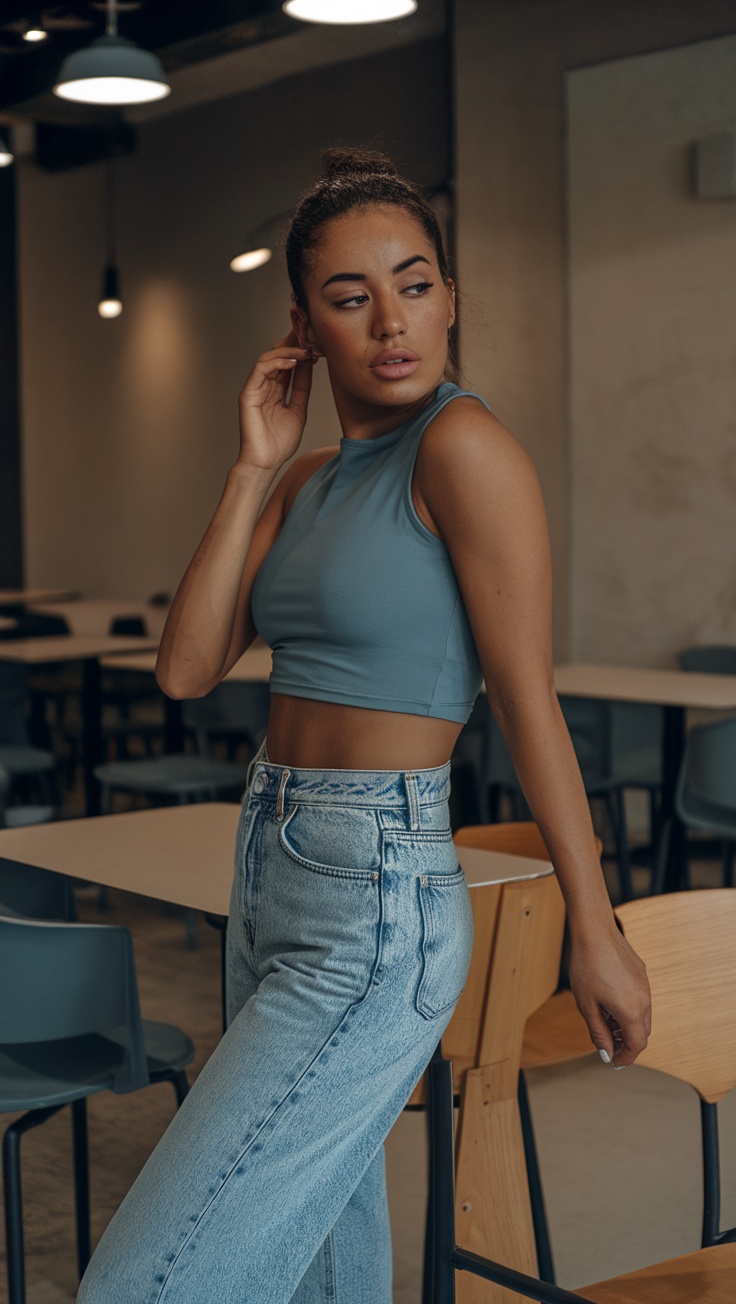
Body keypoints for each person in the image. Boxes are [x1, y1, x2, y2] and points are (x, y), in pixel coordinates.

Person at [78, 148, 651, 1304]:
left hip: (375, 893)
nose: (392, 320)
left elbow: (524, 696)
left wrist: (594, 926)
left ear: (450, 297)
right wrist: (251, 466)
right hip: (270, 864)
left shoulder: (464, 448)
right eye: (351, 297)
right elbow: (188, 668)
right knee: (323, 1273)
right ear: (304, 325)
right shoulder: (305, 481)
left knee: (147, 1283)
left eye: (417, 282)